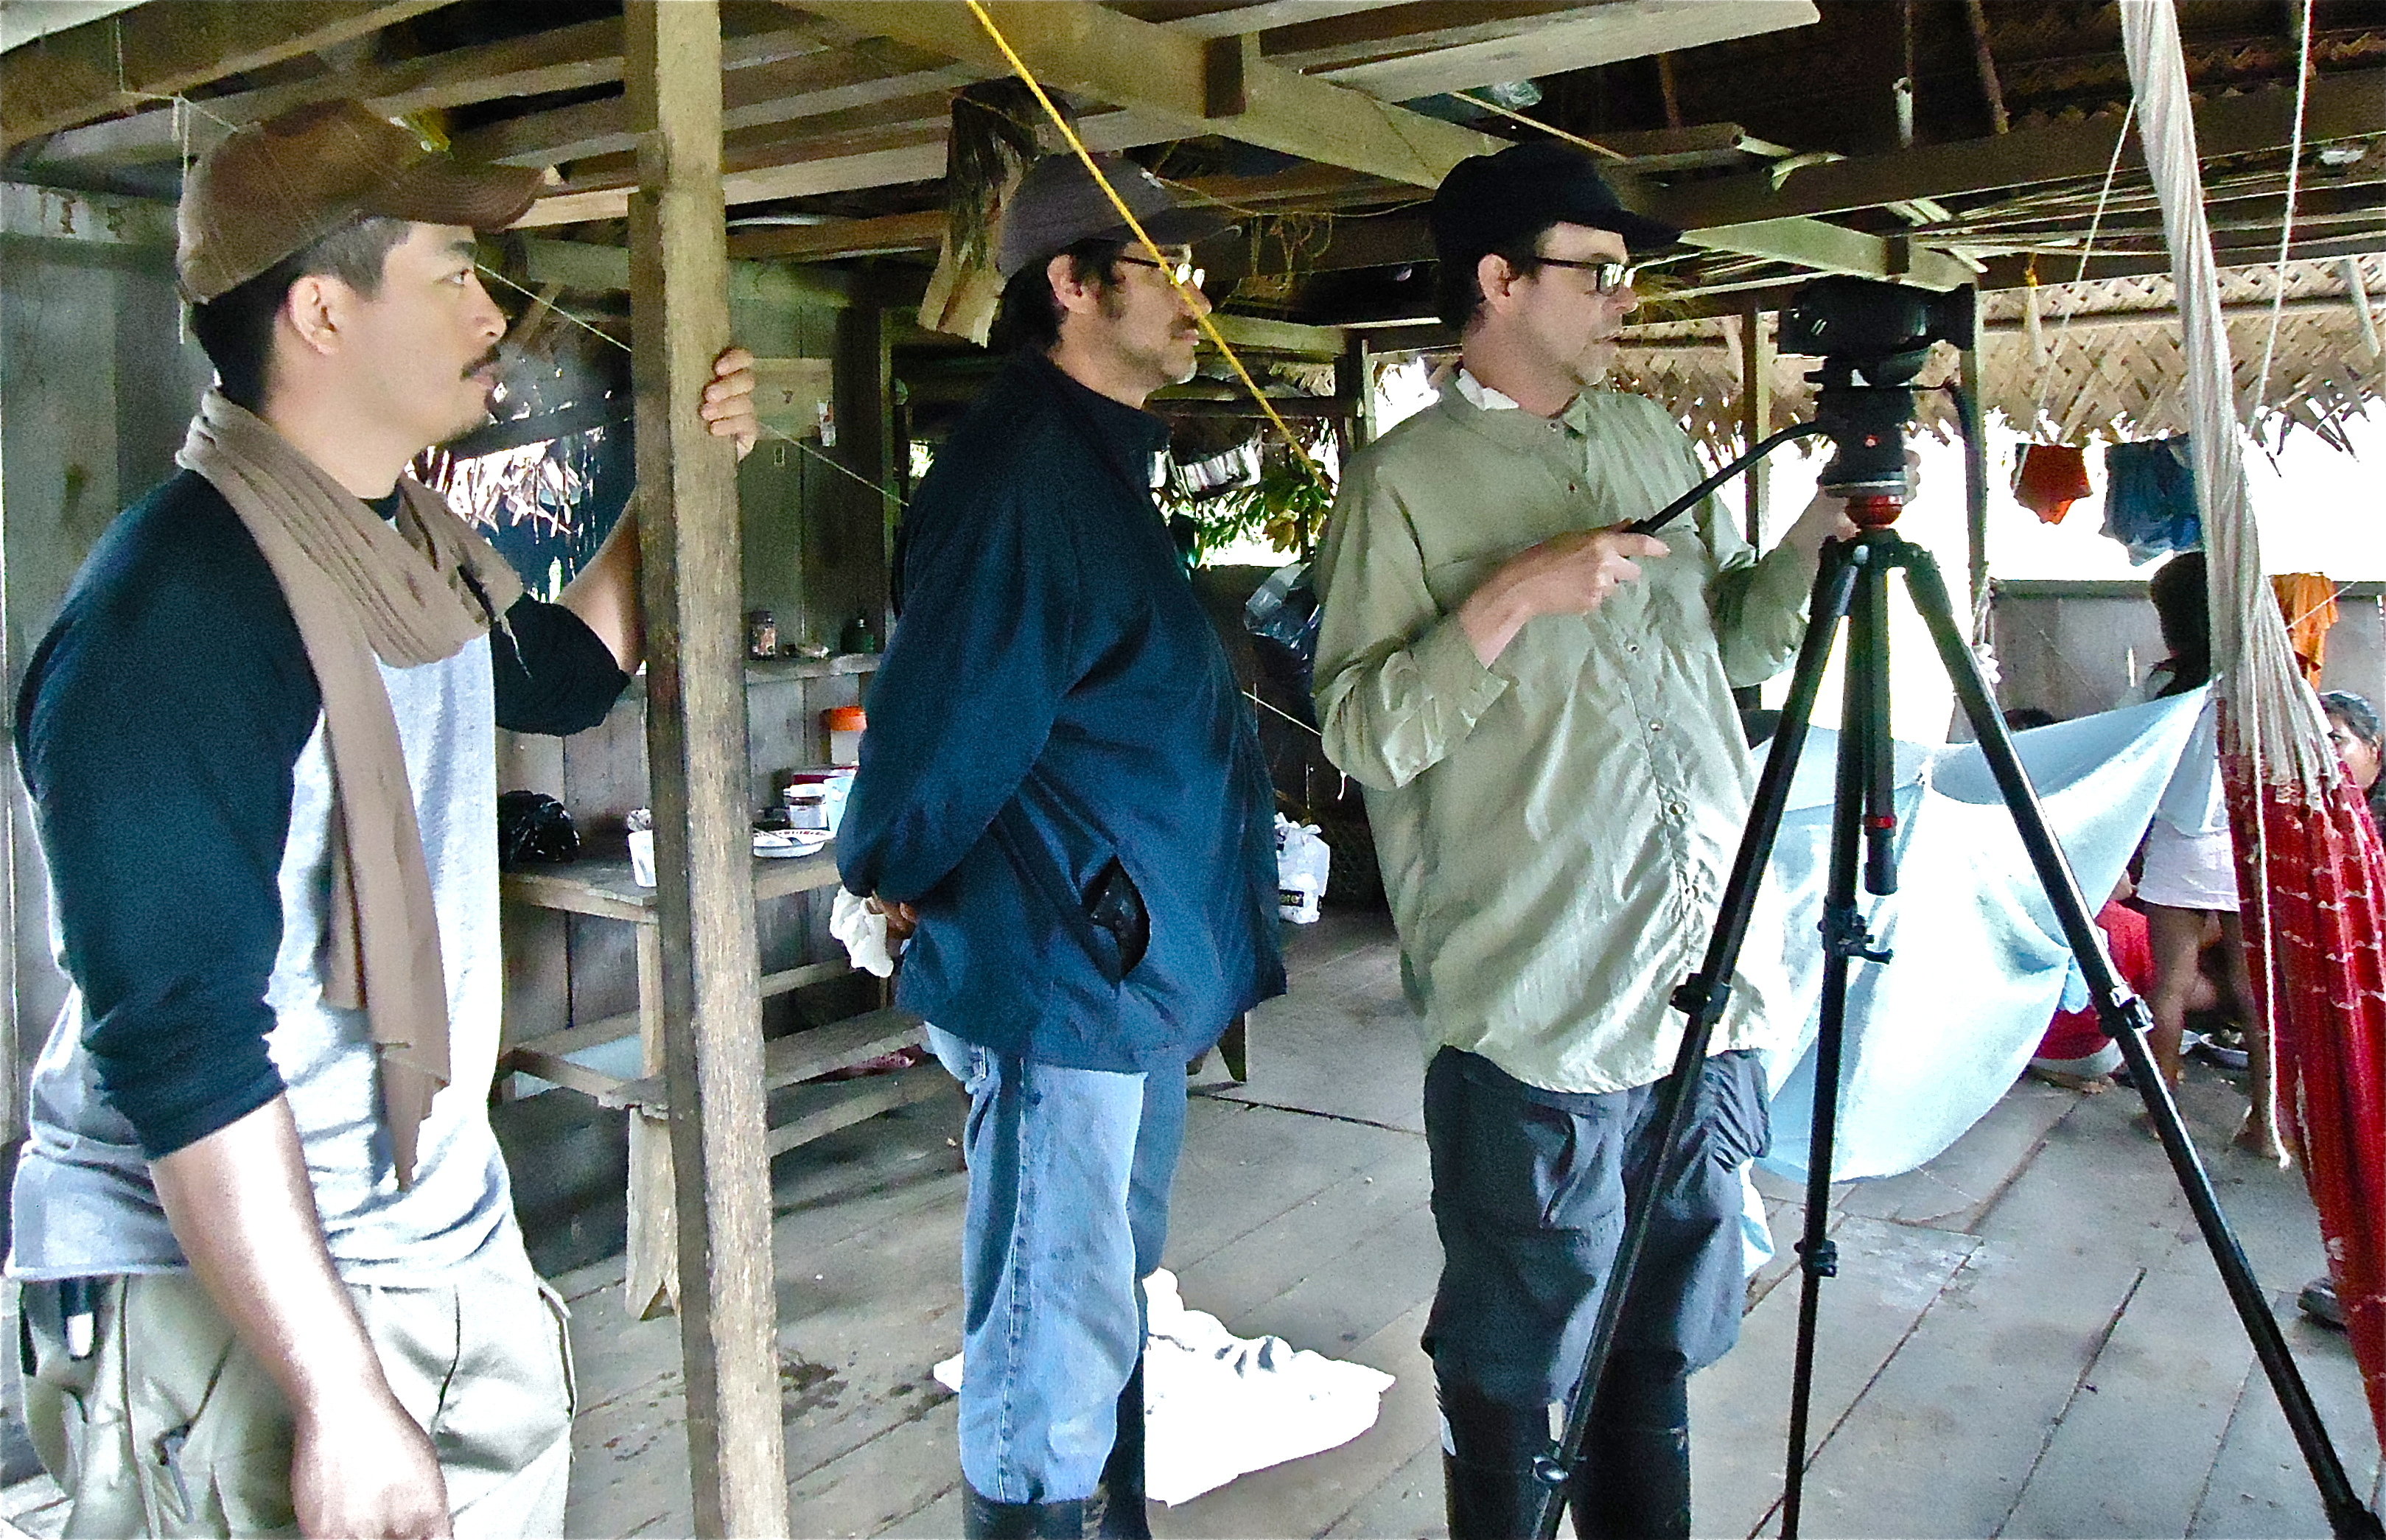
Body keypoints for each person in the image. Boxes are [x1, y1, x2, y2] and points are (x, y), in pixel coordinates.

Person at [9, 101, 758, 1539]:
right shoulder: (173, 620)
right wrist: (339, 1390)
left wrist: (678, 465)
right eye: (448, 275)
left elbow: (580, 661)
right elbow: (180, 1047)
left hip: (416, 1238)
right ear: (321, 315)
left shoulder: (406, 558)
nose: (491, 309)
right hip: (243, 1298)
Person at [1310, 140, 1858, 1540]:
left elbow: (1726, 641)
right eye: (1595, 271)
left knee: (1661, 1331)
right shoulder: (1402, 484)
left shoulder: (1649, 445)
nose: (1623, 298)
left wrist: (1810, 538)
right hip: (1539, 1002)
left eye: (1626, 273)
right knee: (1514, 1343)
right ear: (1497, 282)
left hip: (1702, 981)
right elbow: (1361, 734)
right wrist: (1507, 600)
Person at [834, 153, 1285, 1540]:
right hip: (1064, 974)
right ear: (1073, 286)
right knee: (1049, 1316)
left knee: (1095, 1299)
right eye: (1165, 272)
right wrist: (883, 868)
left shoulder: (1090, 463)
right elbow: (945, 726)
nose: (1193, 305)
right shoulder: (1027, 474)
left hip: (1124, 966)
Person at [2130, 552, 2274, 1156]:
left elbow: (2129, 762)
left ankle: (2163, 1110)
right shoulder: (2261, 684)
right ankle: (2266, 1124)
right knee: (2254, 988)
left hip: (2177, 847)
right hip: (2246, 848)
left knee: (2171, 984)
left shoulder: (2160, 686)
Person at [2026, 873, 2155, 1093]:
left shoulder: (2027, 912)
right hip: (2090, 1053)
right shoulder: (2135, 926)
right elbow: (2155, 997)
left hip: (2022, 1046)